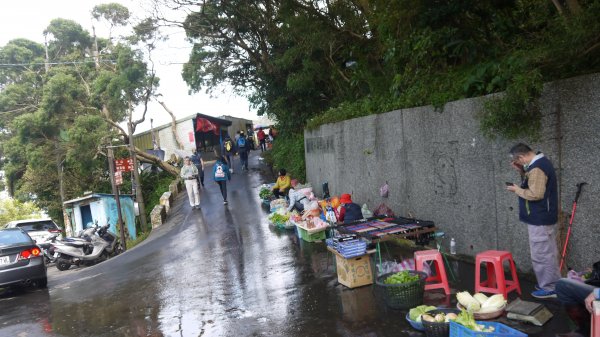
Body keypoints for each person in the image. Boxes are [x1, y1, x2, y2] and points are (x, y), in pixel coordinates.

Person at [506, 143, 561, 298]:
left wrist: (517, 190)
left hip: (540, 218)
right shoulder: (539, 164)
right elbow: (534, 185)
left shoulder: (537, 168)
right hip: (543, 217)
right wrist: (522, 171)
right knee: (547, 252)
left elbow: (535, 194)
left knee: (541, 254)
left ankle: (549, 287)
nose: (520, 163)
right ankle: (552, 283)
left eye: (519, 160)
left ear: (522, 157)